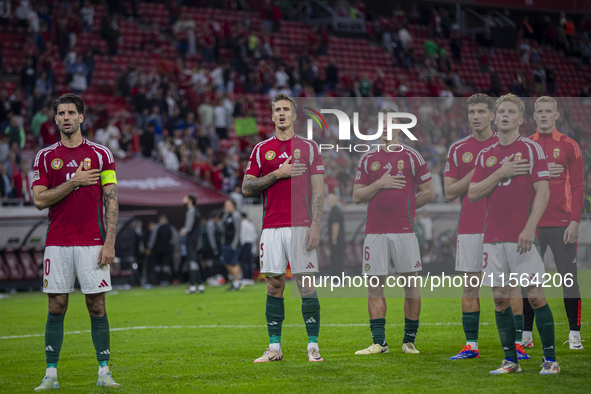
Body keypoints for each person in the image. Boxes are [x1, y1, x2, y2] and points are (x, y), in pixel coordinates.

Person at [31, 93, 120, 389]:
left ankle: (104, 372)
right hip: (57, 242)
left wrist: (109, 242)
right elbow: (39, 200)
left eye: (71, 112)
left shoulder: (101, 155)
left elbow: (112, 201)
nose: (66, 117)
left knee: (97, 306)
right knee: (56, 306)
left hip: (93, 242)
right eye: (61, 113)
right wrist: (73, 182)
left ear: (81, 117)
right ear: (55, 119)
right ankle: (51, 375)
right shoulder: (45, 157)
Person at [468, 94, 559, 375]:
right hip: (493, 238)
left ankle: (551, 360)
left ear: (521, 119)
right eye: (501, 111)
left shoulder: (532, 150)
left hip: (522, 237)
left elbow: (543, 191)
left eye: (511, 112)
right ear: (495, 118)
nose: (504, 115)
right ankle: (510, 361)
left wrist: (530, 227)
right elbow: (472, 193)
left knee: (534, 295)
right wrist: (500, 172)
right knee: (499, 298)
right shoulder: (486, 155)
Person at [242, 93, 325, 363]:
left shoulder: (309, 147)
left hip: (302, 226)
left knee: (306, 285)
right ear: (272, 116)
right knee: (273, 286)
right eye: (277, 109)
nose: (281, 113)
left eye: (286, 109)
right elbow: (246, 187)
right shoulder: (260, 150)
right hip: (272, 227)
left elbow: (319, 192)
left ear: (294, 115)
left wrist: (316, 224)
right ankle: (274, 348)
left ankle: (313, 346)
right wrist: (278, 173)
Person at [353, 109, 435, 356]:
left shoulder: (412, 156)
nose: (386, 128)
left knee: (410, 284)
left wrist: (406, 207)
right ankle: (379, 343)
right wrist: (379, 184)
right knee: (375, 286)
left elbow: (429, 191)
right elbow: (357, 196)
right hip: (375, 232)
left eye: (391, 123)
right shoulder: (367, 158)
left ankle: (409, 341)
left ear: (400, 128)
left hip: (404, 230)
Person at [522, 97, 585, 350]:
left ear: (557, 115)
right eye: (540, 111)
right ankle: (526, 335)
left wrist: (575, 221)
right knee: (527, 280)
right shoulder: (526, 146)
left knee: (569, 280)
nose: (545, 115)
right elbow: (519, 184)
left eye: (549, 111)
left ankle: (574, 335)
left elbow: (579, 187)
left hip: (562, 225)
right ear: (534, 116)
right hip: (533, 226)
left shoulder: (570, 145)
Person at [444, 94, 500, 360]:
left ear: (493, 115)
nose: (475, 117)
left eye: (481, 112)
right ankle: (471, 345)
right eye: (471, 112)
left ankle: (518, 345)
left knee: (505, 288)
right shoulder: (458, 149)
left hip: (501, 226)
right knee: (470, 286)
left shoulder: (507, 144)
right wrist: (475, 173)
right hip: (469, 226)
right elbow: (448, 191)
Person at [182, 194, 205, 294]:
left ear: (190, 200)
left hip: (191, 240)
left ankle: (192, 286)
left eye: (185, 198)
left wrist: (183, 231)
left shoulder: (191, 211)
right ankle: (199, 285)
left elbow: (188, 228)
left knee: (192, 263)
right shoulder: (196, 211)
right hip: (195, 240)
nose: (183, 200)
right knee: (195, 263)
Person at [221, 199, 242, 290]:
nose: (226, 206)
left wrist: (235, 243)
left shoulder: (236, 215)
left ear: (233, 206)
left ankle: (237, 283)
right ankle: (234, 280)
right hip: (225, 242)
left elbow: (238, 230)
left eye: (228, 204)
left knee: (234, 263)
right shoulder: (226, 215)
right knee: (226, 263)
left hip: (233, 243)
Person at [147, 215, 175, 285]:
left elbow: (152, 239)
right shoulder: (170, 227)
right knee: (165, 266)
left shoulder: (157, 227)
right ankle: (165, 280)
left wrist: (150, 248)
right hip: (166, 250)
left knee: (158, 266)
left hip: (158, 251)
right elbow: (175, 238)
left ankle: (158, 280)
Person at [326, 193, 345, 275]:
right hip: (340, 241)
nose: (327, 201)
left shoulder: (335, 212)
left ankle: (338, 280)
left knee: (336, 260)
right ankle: (339, 279)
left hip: (336, 242)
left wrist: (334, 239)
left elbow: (335, 225)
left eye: (329, 200)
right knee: (338, 260)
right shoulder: (337, 211)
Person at [239, 212, 257, 285]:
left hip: (245, 243)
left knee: (244, 261)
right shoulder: (250, 224)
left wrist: (241, 244)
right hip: (250, 243)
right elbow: (255, 236)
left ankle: (246, 277)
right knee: (249, 262)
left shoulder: (243, 224)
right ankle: (250, 278)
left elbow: (242, 235)